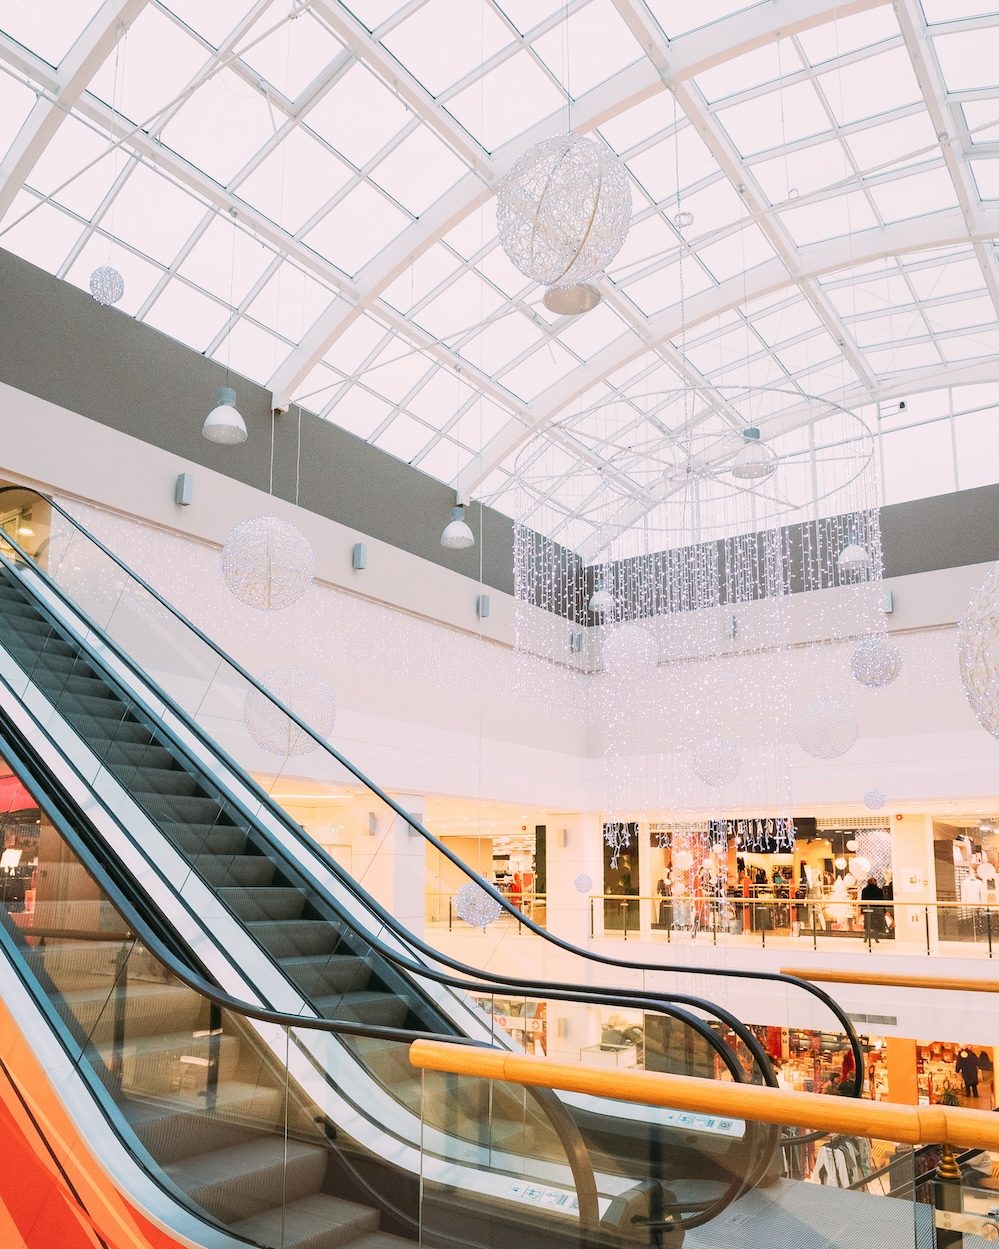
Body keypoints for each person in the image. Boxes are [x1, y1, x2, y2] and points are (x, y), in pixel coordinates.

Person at [860, 876, 884, 943]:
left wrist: (862, 910)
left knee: (867, 924)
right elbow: (881, 901)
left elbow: (863, 900)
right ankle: (876, 938)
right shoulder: (879, 890)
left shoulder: (865, 890)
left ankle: (866, 938)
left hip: (867, 909)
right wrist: (883, 910)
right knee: (876, 925)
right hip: (877, 910)